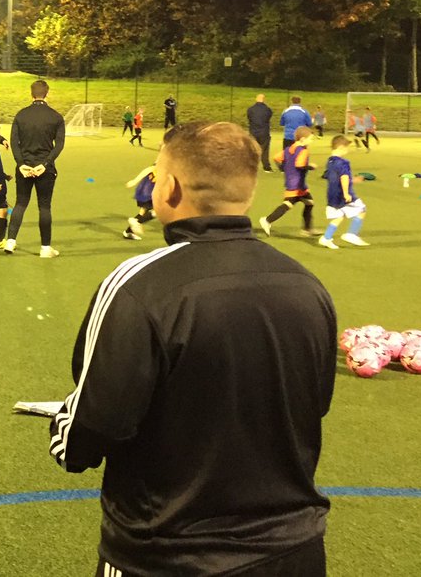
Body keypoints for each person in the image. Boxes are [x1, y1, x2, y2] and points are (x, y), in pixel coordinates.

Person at [49, 121, 336, 576]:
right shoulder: (307, 285)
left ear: (170, 188)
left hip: (168, 557)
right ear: (249, 191)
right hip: (293, 553)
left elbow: (89, 433)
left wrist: (65, 425)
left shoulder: (138, 285)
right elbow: (313, 405)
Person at [5, 80, 65, 257]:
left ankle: (10, 241)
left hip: (24, 167)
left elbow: (14, 143)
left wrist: (21, 164)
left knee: (20, 203)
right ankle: (45, 248)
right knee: (44, 207)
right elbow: (59, 145)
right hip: (45, 169)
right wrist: (45, 164)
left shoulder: (21, 115)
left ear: (31, 94)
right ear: (47, 93)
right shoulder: (56, 117)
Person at [260, 126, 315, 237]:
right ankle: (267, 220)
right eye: (310, 139)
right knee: (288, 204)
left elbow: (276, 158)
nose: (311, 141)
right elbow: (300, 164)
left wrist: (282, 168)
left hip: (293, 182)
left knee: (309, 203)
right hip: (297, 184)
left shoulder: (289, 149)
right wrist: (311, 167)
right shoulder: (303, 151)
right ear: (303, 139)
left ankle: (307, 229)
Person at [320, 134, 368, 249]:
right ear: (341, 147)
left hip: (332, 194)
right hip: (343, 194)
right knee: (362, 210)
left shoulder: (330, 161)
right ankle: (351, 234)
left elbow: (333, 177)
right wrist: (346, 193)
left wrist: (353, 180)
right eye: (347, 148)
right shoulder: (343, 162)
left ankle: (326, 238)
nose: (347, 150)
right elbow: (344, 177)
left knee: (338, 216)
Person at [121, 163, 155, 241]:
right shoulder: (164, 164)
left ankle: (129, 232)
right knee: (157, 212)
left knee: (143, 213)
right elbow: (150, 168)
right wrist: (134, 181)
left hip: (147, 192)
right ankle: (135, 221)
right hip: (148, 193)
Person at [246, 93, 273, 171]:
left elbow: (249, 118)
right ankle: (266, 167)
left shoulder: (250, 109)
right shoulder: (268, 109)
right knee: (265, 150)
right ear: (264, 100)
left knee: (252, 149)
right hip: (264, 132)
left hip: (253, 132)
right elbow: (268, 118)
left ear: (256, 99)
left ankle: (251, 166)